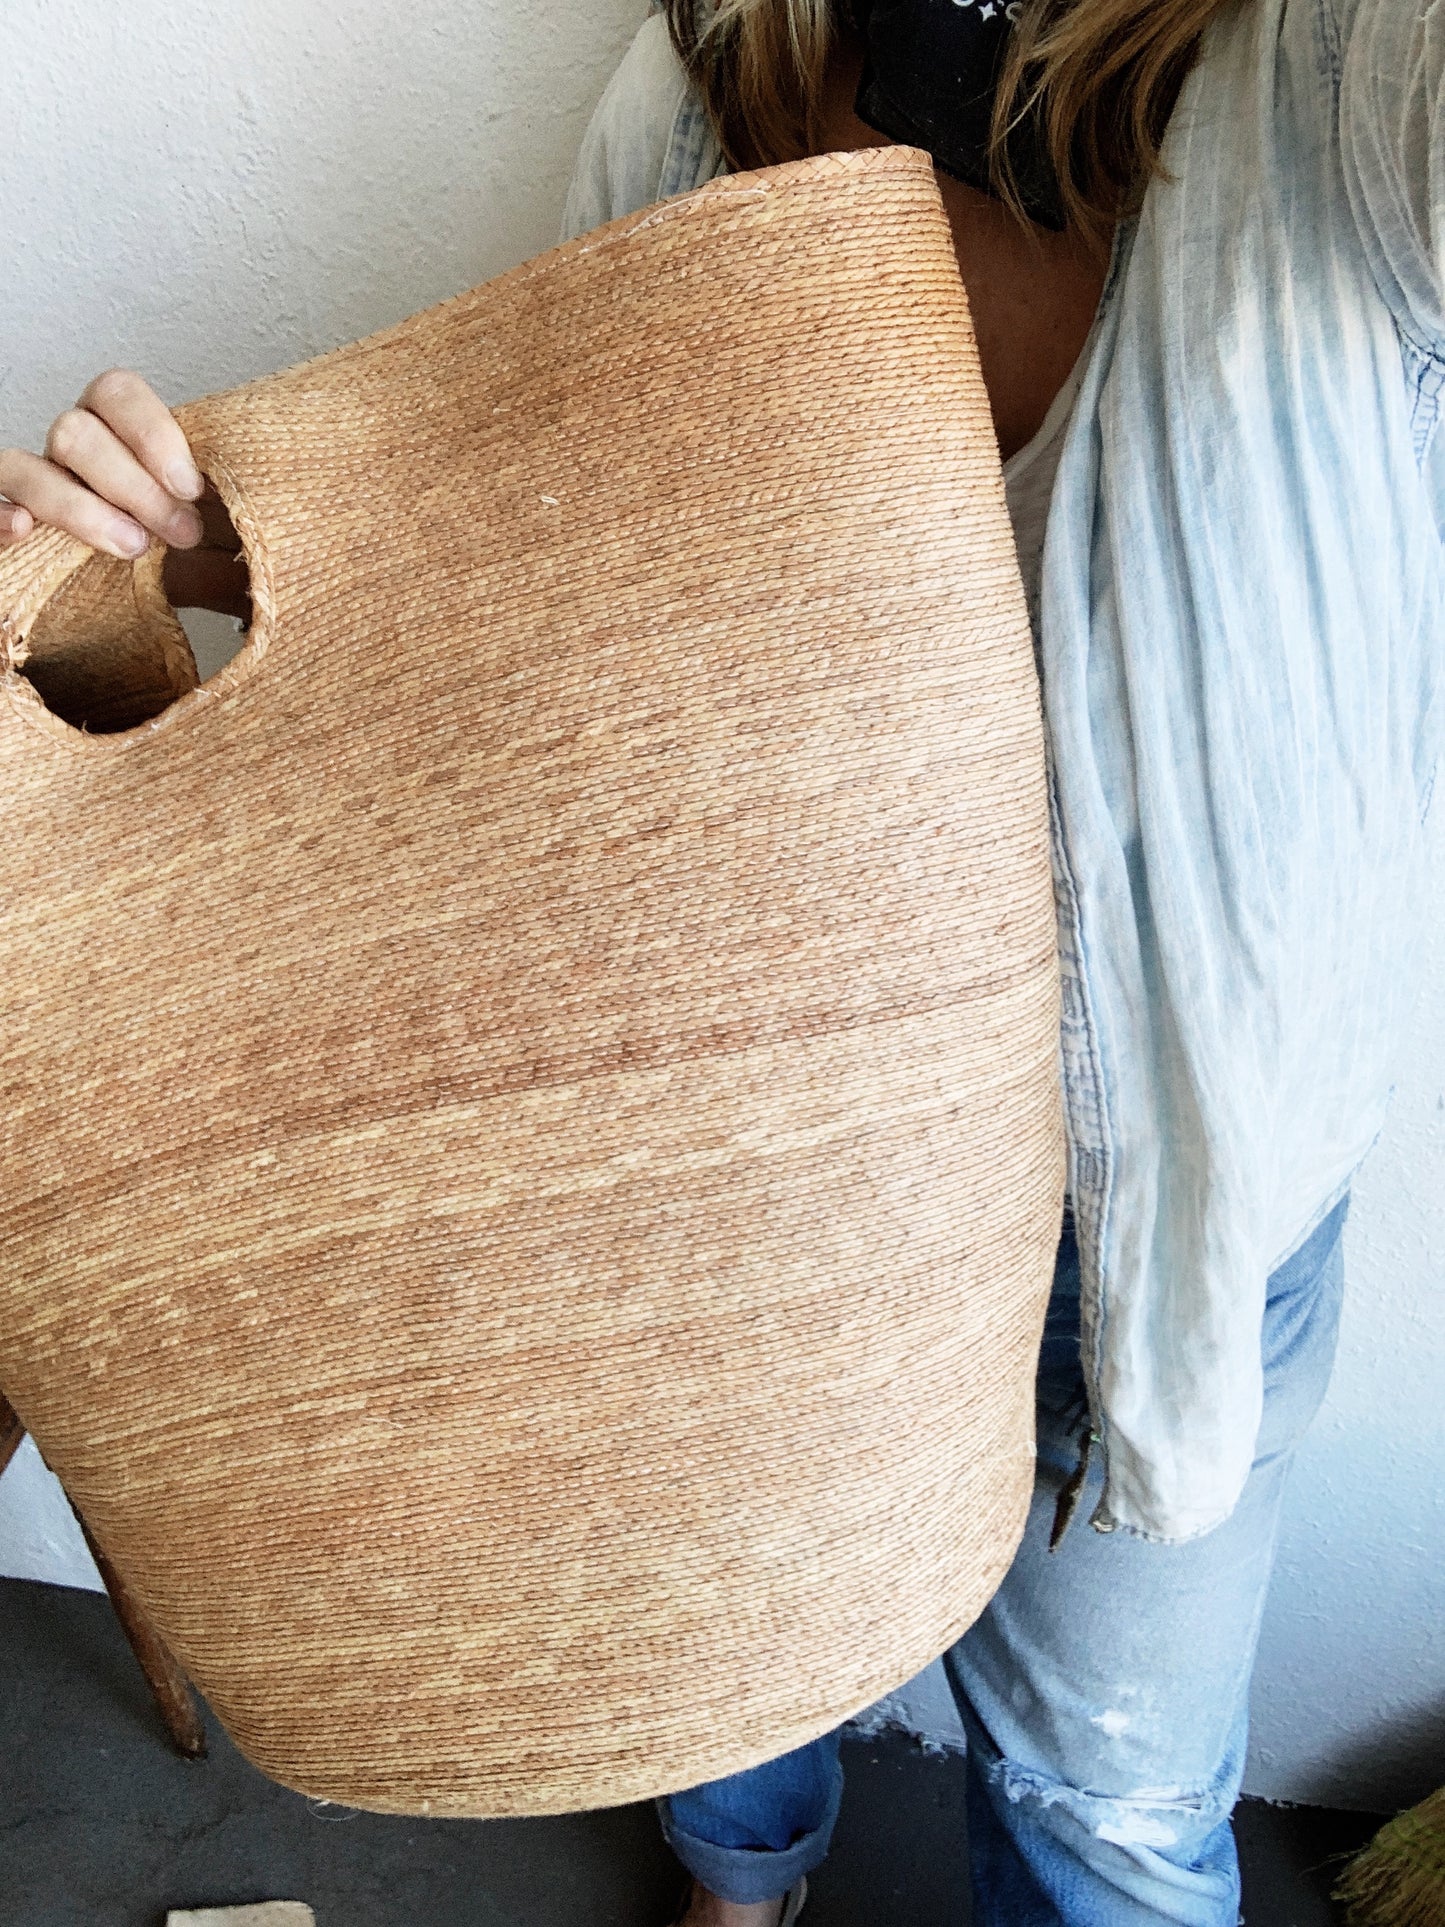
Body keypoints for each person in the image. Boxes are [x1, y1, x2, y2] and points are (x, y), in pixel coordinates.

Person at [1, 1, 1439, 1921]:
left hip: (1161, 1211)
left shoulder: (1337, 83)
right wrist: (206, 542)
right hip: (733, 1160)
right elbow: (545, 621)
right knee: (706, 1644)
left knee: (1109, 1812)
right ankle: (741, 1882)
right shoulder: (699, 102)